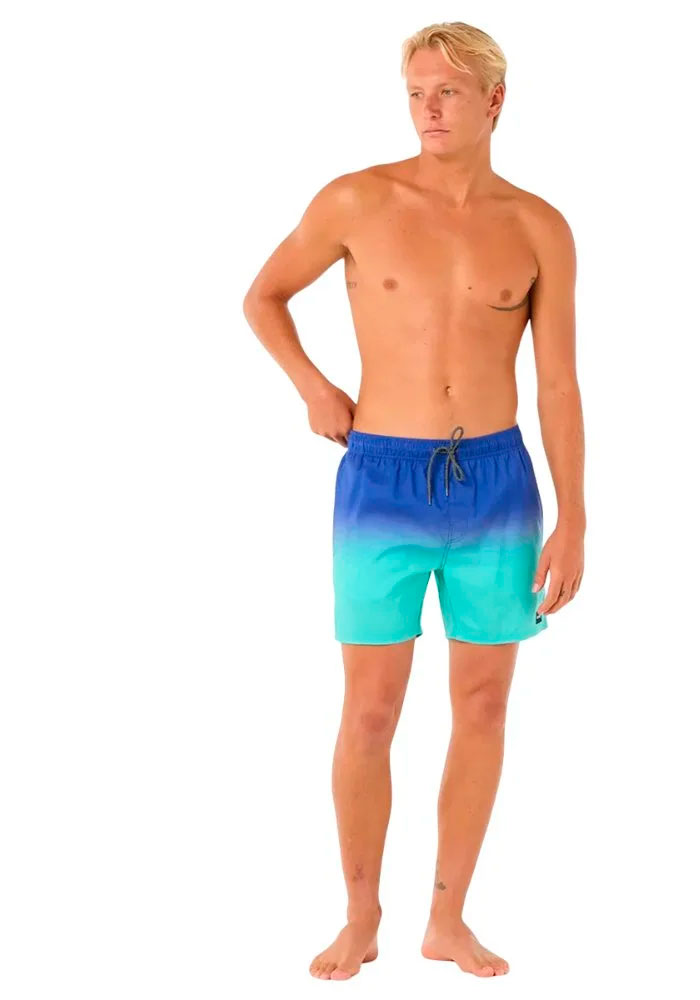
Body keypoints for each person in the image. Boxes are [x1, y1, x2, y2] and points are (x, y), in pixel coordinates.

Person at [242, 20, 585, 981]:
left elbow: (559, 383)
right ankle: (361, 917)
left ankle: (448, 919)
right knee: (369, 710)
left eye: (448, 93)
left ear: (495, 102)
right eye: (416, 93)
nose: (428, 109)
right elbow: (263, 296)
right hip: (381, 478)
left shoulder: (539, 226)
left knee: (482, 704)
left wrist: (576, 516)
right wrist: (314, 388)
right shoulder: (358, 199)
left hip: (498, 486)